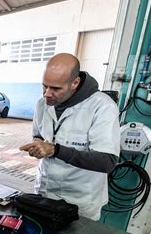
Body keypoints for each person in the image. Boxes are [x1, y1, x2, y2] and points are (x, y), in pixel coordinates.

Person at [19, 53, 120, 221]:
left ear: (75, 83)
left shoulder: (102, 107)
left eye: (55, 89)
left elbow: (107, 161)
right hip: (44, 191)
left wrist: (55, 150)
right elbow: (38, 134)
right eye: (44, 86)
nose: (47, 94)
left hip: (80, 201)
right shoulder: (42, 104)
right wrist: (37, 145)